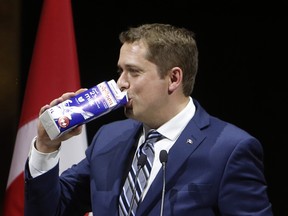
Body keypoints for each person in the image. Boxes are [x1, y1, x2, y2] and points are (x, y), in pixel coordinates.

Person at [24, 23, 273, 216]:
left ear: (174, 78)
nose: (120, 83)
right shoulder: (109, 138)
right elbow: (50, 210)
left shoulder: (230, 150)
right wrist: (47, 146)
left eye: (133, 72)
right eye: (120, 71)